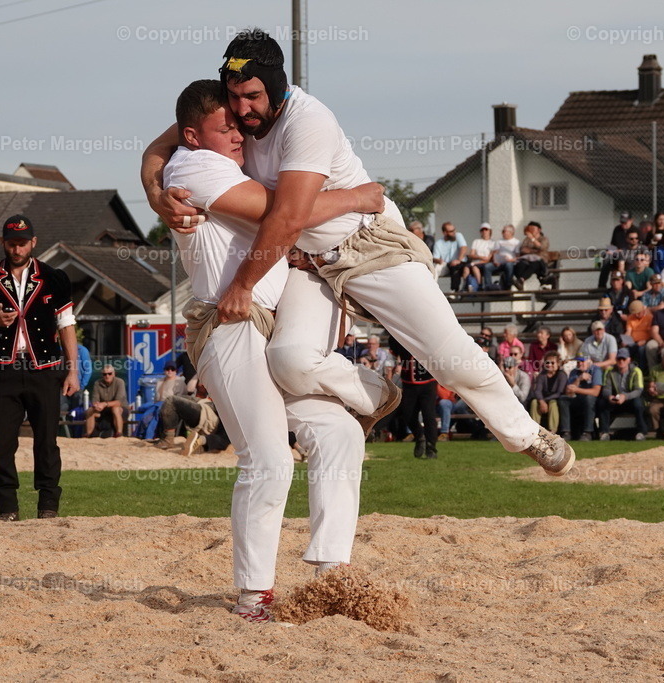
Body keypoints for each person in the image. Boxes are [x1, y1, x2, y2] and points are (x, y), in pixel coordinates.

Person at [144, 34, 572, 486]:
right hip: (308, 260)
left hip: (367, 244)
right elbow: (159, 147)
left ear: (275, 85)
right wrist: (156, 195)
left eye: (251, 96)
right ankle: (377, 396)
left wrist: (243, 286)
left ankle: (527, 434)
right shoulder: (232, 119)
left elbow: (287, 217)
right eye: (233, 98)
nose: (242, 109)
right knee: (290, 360)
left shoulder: (307, 121)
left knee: (446, 355)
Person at [149, 76, 433, 623]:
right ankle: (253, 596)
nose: (237, 132)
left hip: (271, 325)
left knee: (340, 433)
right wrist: (355, 197)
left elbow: (284, 225)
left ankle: (331, 572)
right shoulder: (191, 168)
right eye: (224, 126)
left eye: (239, 121)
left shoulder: (234, 161)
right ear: (190, 135)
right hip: (229, 326)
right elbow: (285, 213)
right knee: (269, 459)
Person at [0, 214, 79, 521]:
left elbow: (66, 324)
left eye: (23, 243)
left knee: (47, 441)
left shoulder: (55, 277)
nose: (17, 250)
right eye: (12, 243)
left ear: (34, 242)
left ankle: (48, 507)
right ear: (3, 243)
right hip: (4, 371)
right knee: (4, 443)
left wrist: (73, 370)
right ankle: (7, 509)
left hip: (45, 368)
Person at [390, 335, 439, 459]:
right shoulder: (399, 336)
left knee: (429, 416)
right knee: (407, 414)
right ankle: (419, 437)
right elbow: (395, 349)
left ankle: (431, 447)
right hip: (409, 384)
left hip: (428, 383)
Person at [597, 348, 648, 441]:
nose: (621, 361)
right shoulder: (610, 371)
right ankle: (604, 432)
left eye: (623, 359)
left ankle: (642, 432)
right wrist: (609, 397)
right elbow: (606, 389)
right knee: (603, 403)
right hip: (616, 400)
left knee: (638, 403)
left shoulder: (636, 371)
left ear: (629, 360)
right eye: (619, 359)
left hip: (630, 400)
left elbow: (638, 390)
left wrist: (625, 396)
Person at [563, 356, 603, 441]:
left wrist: (577, 389)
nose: (580, 364)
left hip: (594, 401)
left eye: (582, 361)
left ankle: (587, 433)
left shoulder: (596, 370)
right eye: (578, 362)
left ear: (589, 362)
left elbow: (596, 392)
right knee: (563, 399)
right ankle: (566, 432)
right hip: (578, 399)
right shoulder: (574, 372)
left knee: (589, 399)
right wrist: (579, 379)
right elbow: (568, 391)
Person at [84, 365, 129, 437]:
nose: (107, 376)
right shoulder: (97, 383)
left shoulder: (120, 382)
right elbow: (95, 400)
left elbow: (119, 402)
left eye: (109, 373)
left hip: (121, 408)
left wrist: (105, 404)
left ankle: (119, 433)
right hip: (103, 409)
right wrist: (96, 405)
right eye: (104, 374)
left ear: (114, 374)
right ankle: (88, 434)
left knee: (115, 409)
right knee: (90, 410)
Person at [532, 352, 568, 436]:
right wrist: (541, 401)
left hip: (555, 399)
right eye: (547, 362)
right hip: (543, 399)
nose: (549, 365)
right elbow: (538, 391)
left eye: (552, 363)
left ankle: (553, 430)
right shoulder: (541, 375)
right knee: (534, 402)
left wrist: (544, 401)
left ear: (558, 364)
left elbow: (559, 392)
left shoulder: (562, 375)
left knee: (553, 403)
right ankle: (534, 430)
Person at [512, 221, 549, 290]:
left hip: (540, 262)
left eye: (533, 229)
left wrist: (532, 239)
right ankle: (520, 282)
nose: (531, 230)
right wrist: (535, 251)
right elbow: (523, 249)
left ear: (539, 230)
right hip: (527, 261)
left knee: (535, 264)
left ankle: (521, 280)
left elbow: (542, 247)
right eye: (530, 229)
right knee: (519, 265)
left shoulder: (543, 239)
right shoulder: (526, 240)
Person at [432, 221, 468, 290]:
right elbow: (435, 257)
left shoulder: (458, 235)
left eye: (454, 230)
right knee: (436, 268)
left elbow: (464, 248)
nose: (454, 232)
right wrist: (438, 260)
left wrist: (458, 260)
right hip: (446, 264)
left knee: (455, 267)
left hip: (460, 263)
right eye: (451, 231)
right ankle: (433, 289)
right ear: (445, 233)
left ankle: (454, 292)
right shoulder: (438, 243)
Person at [485, 224, 520, 290]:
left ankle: (508, 285)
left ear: (511, 233)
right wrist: (495, 261)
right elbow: (495, 253)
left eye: (504, 231)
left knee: (509, 265)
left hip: (510, 262)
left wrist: (511, 260)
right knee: (487, 267)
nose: (502, 233)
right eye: (502, 231)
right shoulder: (499, 241)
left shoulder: (516, 242)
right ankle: (488, 286)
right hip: (499, 262)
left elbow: (518, 257)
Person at [465, 223, 495, 291]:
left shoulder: (493, 243)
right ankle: (465, 286)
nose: (484, 231)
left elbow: (488, 258)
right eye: (482, 230)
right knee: (466, 268)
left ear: (490, 231)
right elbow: (471, 255)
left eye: (486, 230)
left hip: (484, 263)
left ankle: (479, 285)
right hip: (477, 261)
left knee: (474, 267)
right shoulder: (476, 241)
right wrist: (480, 257)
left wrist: (477, 261)